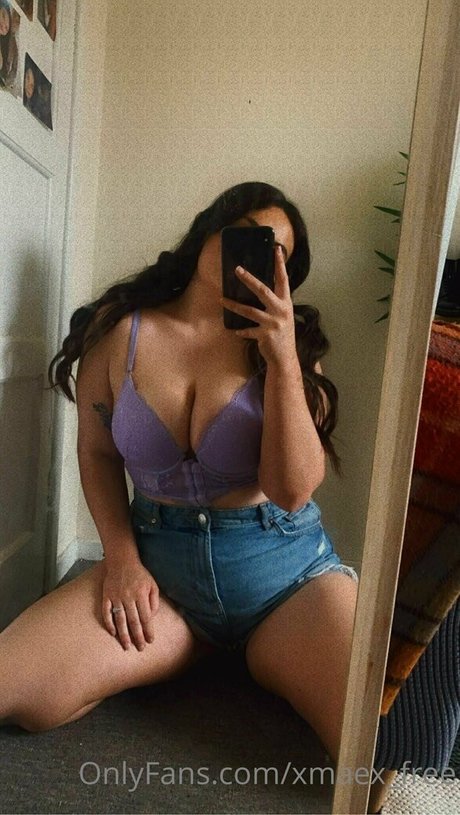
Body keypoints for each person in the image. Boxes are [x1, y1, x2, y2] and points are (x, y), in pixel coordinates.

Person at [0, 181, 358, 763]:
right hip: (161, 583)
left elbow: (292, 491)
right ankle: (187, 651)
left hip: (287, 583)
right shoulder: (120, 333)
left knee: (374, 745)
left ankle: (258, 653)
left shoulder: (290, 348)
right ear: (208, 230)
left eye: (277, 252)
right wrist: (121, 562)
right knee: (15, 685)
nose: (257, 256)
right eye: (249, 235)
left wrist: (283, 360)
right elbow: (97, 454)